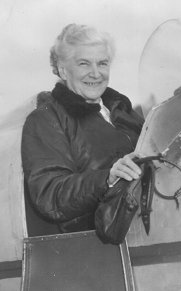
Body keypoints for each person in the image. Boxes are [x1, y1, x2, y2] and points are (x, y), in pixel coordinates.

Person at [22, 24, 144, 233]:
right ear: (63, 70)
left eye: (102, 63)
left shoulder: (122, 111)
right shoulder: (45, 119)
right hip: (97, 244)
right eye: (84, 64)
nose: (95, 73)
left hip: (146, 226)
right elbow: (50, 195)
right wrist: (108, 178)